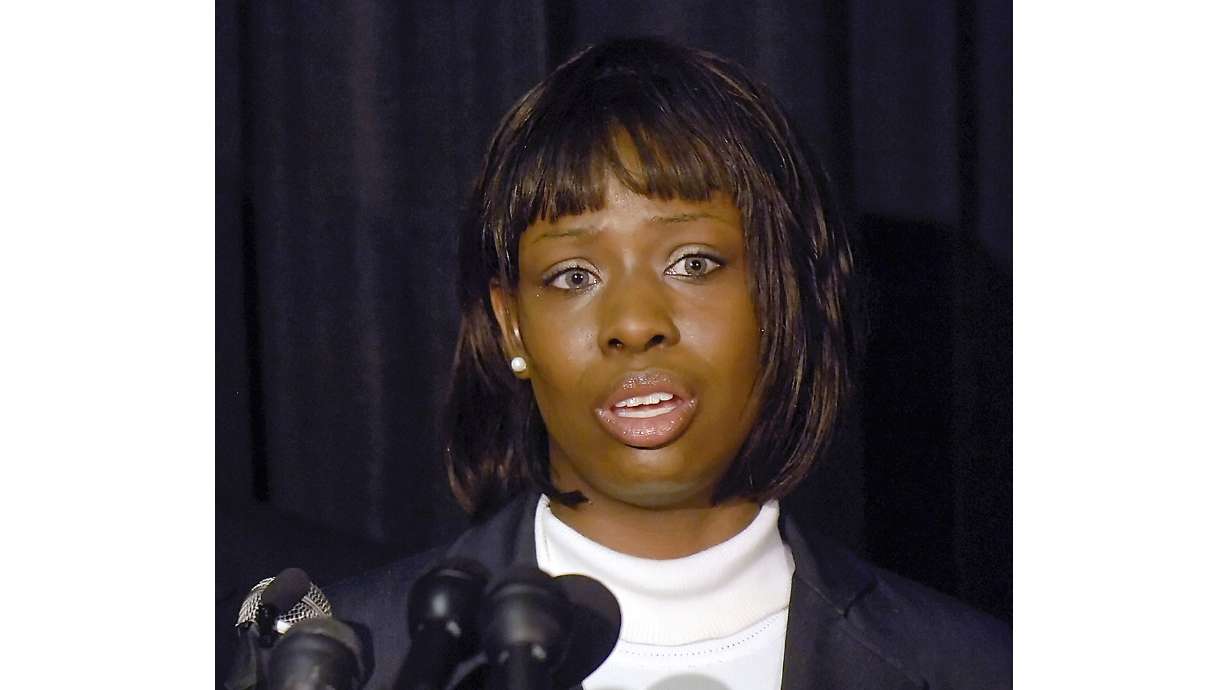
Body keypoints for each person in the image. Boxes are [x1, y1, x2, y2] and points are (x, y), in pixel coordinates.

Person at [327, 37, 1010, 689]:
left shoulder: (981, 669)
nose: (634, 324)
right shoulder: (349, 656)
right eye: (573, 275)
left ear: (784, 297)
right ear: (512, 325)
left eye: (692, 264)